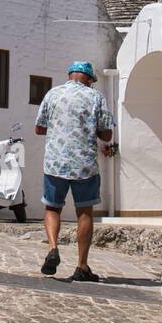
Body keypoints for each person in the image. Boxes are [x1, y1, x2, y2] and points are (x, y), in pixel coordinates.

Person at [34, 61, 115, 282]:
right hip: (84, 166)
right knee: (85, 213)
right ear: (89, 79)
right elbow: (106, 135)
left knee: (52, 208)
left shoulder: (53, 94)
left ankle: (52, 247)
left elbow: (39, 127)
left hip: (55, 163)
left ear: (70, 75)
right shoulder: (95, 97)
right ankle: (82, 266)